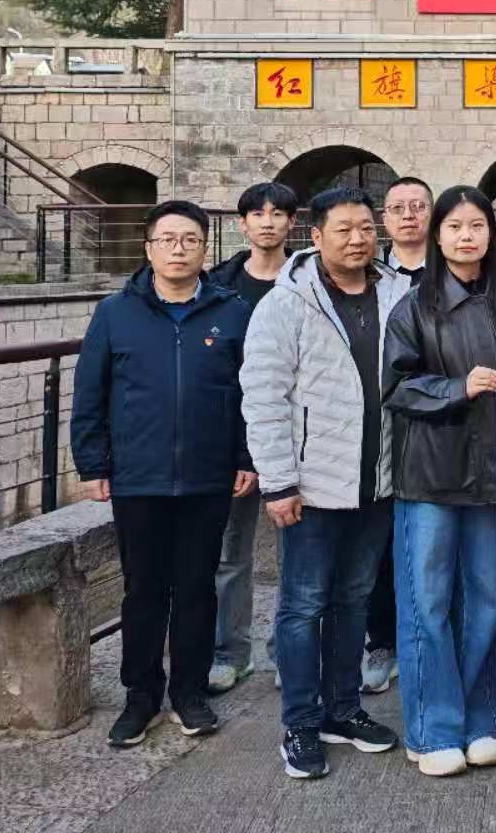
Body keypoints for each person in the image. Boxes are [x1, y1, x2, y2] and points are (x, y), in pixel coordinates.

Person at [72, 200, 256, 748]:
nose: (179, 249)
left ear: (205, 248)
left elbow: (251, 392)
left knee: (198, 587)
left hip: (208, 474)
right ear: (148, 248)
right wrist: (93, 462)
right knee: (143, 590)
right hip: (138, 476)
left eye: (190, 240)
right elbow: (90, 391)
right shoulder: (115, 313)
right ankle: (141, 695)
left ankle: (190, 692)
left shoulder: (232, 312)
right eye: (168, 239)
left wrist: (246, 456)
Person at [240, 186, 403, 779]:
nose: (358, 239)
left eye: (365, 228)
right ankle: (301, 722)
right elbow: (264, 396)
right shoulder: (287, 303)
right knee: (303, 605)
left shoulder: (396, 294)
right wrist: (278, 481)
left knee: (353, 600)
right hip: (311, 486)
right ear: (315, 236)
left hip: (377, 482)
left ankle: (343, 709)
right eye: (343, 229)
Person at [382, 186, 496, 777]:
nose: (467, 236)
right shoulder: (412, 308)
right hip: (430, 475)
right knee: (429, 603)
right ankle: (432, 729)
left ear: (491, 234)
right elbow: (396, 387)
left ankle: (480, 721)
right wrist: (456, 388)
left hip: (495, 477)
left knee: (489, 603)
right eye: (455, 226)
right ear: (437, 236)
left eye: (477, 225)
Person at [206, 180, 298, 695]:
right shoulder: (219, 286)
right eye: (258, 214)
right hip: (232, 440)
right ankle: (230, 652)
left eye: (277, 213)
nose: (267, 222)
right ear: (242, 224)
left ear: (292, 223)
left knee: (296, 556)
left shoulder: (307, 281)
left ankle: (289, 651)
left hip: (295, 437)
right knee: (229, 553)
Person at [361, 175, 434, 697]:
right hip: (379, 424)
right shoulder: (368, 278)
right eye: (398, 208)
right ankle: (382, 641)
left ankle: (431, 644)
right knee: (380, 545)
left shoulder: (452, 275)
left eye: (418, 206)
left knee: (432, 547)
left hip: (440, 427)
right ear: (384, 219)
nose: (409, 215)